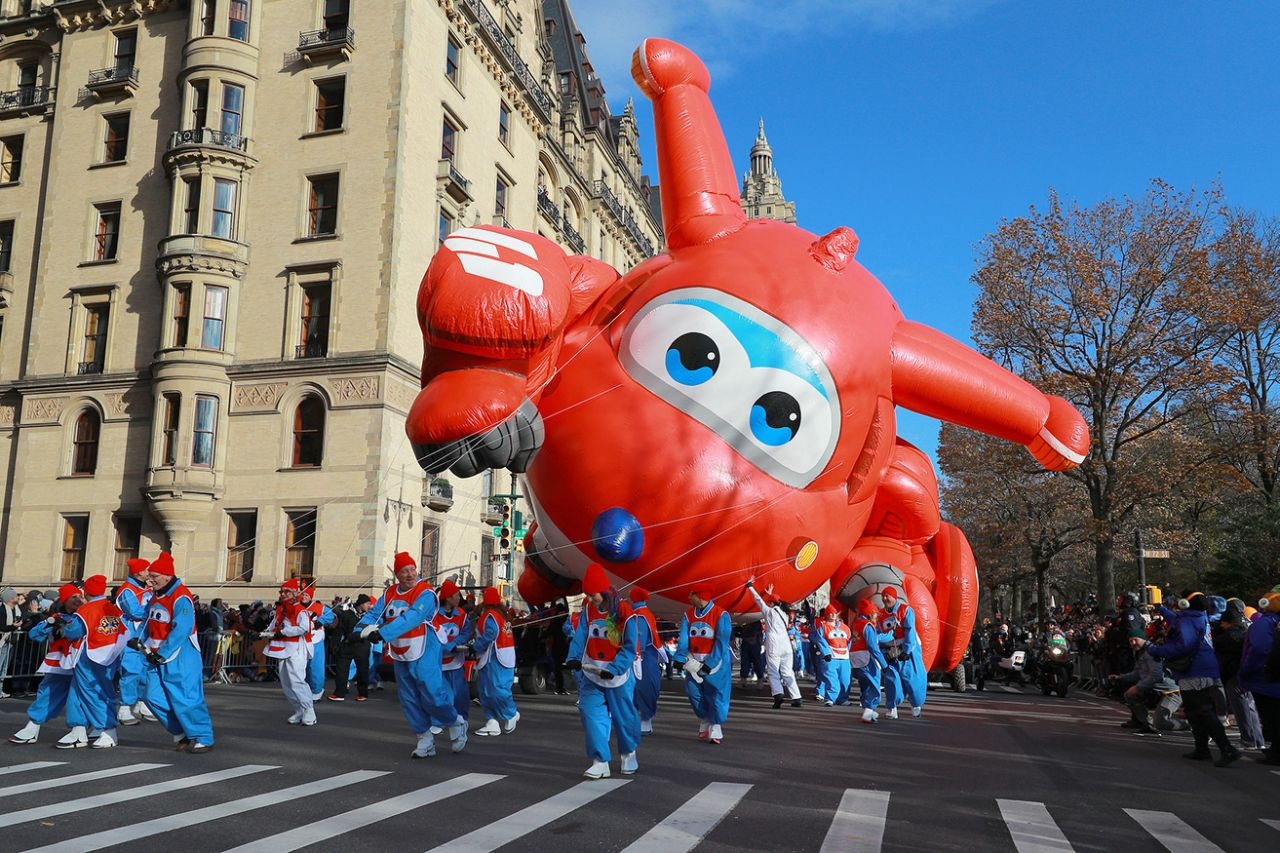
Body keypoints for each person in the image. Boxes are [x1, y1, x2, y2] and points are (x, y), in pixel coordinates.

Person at [356, 552, 465, 757]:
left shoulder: (426, 592)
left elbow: (413, 618)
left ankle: (455, 722)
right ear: (397, 574)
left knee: (431, 692)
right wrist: (358, 630)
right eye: (404, 571)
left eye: (412, 569)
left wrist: (382, 633)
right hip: (400, 650)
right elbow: (374, 613)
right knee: (408, 697)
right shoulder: (389, 594)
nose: (410, 574)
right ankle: (425, 739)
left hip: (425, 647)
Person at [1147, 592, 1240, 767]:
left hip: (1195, 671)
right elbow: (1176, 620)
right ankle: (1202, 748)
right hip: (1200, 669)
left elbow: (1183, 646)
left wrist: (1153, 649)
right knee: (1194, 711)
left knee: (1202, 710)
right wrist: (1161, 609)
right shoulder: (1196, 617)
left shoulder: (1189, 620)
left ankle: (1226, 748)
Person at [565, 564, 640, 779]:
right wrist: (573, 658)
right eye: (587, 594)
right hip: (592, 672)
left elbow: (630, 644)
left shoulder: (624, 610)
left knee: (624, 717)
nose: (590, 598)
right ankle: (600, 760)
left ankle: (628, 753)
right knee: (590, 713)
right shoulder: (588, 609)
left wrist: (615, 668)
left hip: (618, 675)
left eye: (592, 594)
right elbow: (581, 635)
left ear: (603, 590)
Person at [138, 551, 215, 753]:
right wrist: (138, 641)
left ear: (167, 576)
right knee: (151, 696)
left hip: (181, 655)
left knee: (187, 697)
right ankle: (181, 731)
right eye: (150, 577)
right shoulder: (157, 594)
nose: (150, 581)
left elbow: (182, 627)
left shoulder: (181, 597)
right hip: (155, 654)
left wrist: (163, 652)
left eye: (154, 577)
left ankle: (202, 736)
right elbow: (149, 621)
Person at [54, 575, 127, 749]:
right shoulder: (113, 608)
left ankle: (108, 730)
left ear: (86, 591)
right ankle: (79, 729)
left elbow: (73, 632)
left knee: (95, 694)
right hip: (109, 655)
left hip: (90, 657)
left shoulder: (86, 610)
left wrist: (64, 627)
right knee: (79, 692)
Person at [8, 584, 80, 744]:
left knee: (82, 696)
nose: (78, 600)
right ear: (65, 599)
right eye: (73, 596)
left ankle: (91, 729)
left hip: (79, 661)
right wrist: (50, 622)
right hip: (58, 660)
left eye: (79, 596)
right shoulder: (56, 615)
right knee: (47, 692)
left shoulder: (84, 615)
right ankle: (32, 726)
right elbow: (34, 634)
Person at [674, 584, 732, 744]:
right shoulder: (688, 614)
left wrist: (710, 663)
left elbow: (721, 642)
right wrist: (679, 658)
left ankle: (715, 725)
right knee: (693, 692)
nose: (688, 597)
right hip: (693, 661)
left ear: (700, 595)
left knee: (716, 694)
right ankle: (706, 718)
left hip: (716, 663)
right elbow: (684, 639)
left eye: (691, 594)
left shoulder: (721, 615)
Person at [1212, 601, 1264, 750]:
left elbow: (1219, 642)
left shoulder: (1232, 631)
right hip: (1247, 671)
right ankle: (1257, 740)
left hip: (1235, 671)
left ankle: (1248, 739)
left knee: (1241, 707)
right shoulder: (1248, 624)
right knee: (1249, 705)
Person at [263, 578, 316, 725]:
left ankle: (309, 710)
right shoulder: (281, 609)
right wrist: (262, 634)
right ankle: (299, 710)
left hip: (297, 649)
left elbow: (304, 628)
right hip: (283, 648)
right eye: (282, 592)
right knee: (286, 682)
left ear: (294, 593)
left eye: (287, 592)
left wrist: (284, 632)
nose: (283, 594)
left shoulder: (300, 609)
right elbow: (273, 627)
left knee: (297, 680)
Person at [472, 586, 519, 737]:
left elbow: (490, 634)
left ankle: (511, 713)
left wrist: (475, 646)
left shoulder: (491, 615)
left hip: (495, 656)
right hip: (496, 656)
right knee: (486, 691)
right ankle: (491, 721)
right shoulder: (501, 614)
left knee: (495, 689)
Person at [746, 581, 802, 709]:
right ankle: (796, 698)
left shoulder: (769, 612)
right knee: (788, 671)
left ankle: (778, 695)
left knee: (773, 672)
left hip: (773, 644)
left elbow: (757, 599)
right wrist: (771, 595)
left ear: (770, 603)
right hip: (786, 645)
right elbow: (772, 603)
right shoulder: (785, 614)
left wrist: (750, 587)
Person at [114, 557, 157, 726]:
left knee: (145, 670)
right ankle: (124, 707)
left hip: (144, 636)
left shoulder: (146, 589)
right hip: (130, 636)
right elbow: (135, 612)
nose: (150, 573)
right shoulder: (127, 590)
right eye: (147, 570)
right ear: (138, 572)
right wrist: (154, 608)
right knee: (131, 671)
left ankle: (142, 703)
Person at [1240, 591, 1280, 765]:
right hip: (1272, 676)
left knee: (1271, 716)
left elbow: (1258, 651)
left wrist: (1245, 671)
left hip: (1266, 678)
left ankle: (1276, 752)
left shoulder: (1263, 625)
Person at [1110, 629, 1170, 736]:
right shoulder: (1141, 652)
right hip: (1155, 688)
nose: (1133, 643)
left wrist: (1138, 687)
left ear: (1143, 638)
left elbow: (1156, 675)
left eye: (1135, 640)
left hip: (1171, 690)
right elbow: (1137, 673)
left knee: (1161, 722)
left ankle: (1190, 725)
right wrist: (1120, 677)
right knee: (1129, 695)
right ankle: (1148, 725)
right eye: (1130, 641)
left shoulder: (1151, 651)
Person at [879, 587, 927, 718]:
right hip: (890, 651)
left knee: (913, 678)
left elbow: (910, 630)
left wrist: (906, 650)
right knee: (891, 679)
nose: (885, 599)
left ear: (894, 597)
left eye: (887, 596)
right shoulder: (880, 614)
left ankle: (916, 704)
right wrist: (883, 652)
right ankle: (892, 707)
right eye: (883, 596)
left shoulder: (905, 610)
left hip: (908, 651)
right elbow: (879, 634)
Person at [430, 579, 473, 726]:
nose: (459, 598)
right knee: (442, 694)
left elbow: (466, 633)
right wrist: (444, 646)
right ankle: (438, 721)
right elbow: (431, 635)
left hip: (455, 661)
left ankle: (462, 720)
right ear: (448, 598)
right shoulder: (434, 614)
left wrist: (454, 643)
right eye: (456, 595)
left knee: (460, 694)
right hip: (437, 661)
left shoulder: (461, 614)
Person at [626, 586, 664, 732]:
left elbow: (639, 638)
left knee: (642, 688)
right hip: (645, 656)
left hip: (641, 657)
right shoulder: (645, 613)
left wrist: (634, 655)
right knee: (639, 688)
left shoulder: (639, 615)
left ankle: (645, 719)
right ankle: (641, 718)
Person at [329, 593, 373, 701]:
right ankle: (339, 693)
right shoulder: (347, 614)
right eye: (367, 603)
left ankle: (363, 693)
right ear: (361, 604)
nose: (369, 606)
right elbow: (339, 630)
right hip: (347, 644)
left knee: (363, 670)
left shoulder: (369, 616)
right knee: (341, 669)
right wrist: (334, 645)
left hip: (362, 645)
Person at [850, 598, 888, 723]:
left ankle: (869, 711)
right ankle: (869, 711)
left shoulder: (856, 623)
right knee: (874, 686)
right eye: (875, 614)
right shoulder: (868, 625)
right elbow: (873, 646)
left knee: (864, 685)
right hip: (867, 658)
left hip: (855, 659)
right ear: (870, 613)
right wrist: (884, 664)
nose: (877, 616)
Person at [300, 584, 335, 700]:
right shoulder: (298, 607)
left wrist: (320, 622)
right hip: (302, 640)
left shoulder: (319, 607)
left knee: (315, 666)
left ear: (310, 597)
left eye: (305, 595)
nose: (303, 597)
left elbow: (331, 616)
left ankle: (317, 690)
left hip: (316, 640)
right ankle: (305, 689)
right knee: (303, 666)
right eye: (302, 594)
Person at [813, 605, 852, 707]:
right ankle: (830, 698)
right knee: (832, 679)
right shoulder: (823, 626)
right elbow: (820, 640)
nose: (833, 614)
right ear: (826, 614)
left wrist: (849, 652)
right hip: (830, 658)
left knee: (845, 680)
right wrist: (826, 653)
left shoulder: (845, 627)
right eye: (830, 612)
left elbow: (849, 640)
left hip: (844, 658)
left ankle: (842, 699)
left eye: (834, 612)